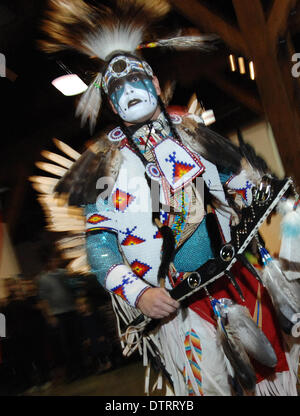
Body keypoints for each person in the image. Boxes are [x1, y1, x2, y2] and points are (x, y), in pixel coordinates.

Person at [35, 0, 300, 396]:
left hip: (234, 272)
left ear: (156, 84)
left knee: (273, 373)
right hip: (175, 300)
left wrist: (279, 204)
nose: (129, 91)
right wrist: (138, 293)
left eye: (137, 80)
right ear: (110, 105)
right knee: (207, 388)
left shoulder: (191, 133)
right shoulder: (104, 164)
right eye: (117, 89)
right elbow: (101, 243)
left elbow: (236, 181)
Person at [38, 256, 84, 383]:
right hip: (58, 314)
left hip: (72, 310)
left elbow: (75, 287)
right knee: (65, 345)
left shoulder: (63, 273)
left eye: (53, 260)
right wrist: (50, 316)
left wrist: (79, 301)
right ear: (46, 262)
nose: (53, 262)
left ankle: (82, 368)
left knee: (77, 341)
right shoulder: (42, 279)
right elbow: (43, 299)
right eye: (50, 260)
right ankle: (72, 372)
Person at [76, 296, 112, 374]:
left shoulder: (95, 315)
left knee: (103, 349)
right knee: (94, 352)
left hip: (98, 336)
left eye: (82, 305)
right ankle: (100, 365)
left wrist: (103, 335)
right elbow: (82, 331)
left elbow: (101, 325)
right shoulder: (81, 320)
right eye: (79, 306)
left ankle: (108, 363)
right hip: (91, 339)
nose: (81, 307)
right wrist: (85, 339)